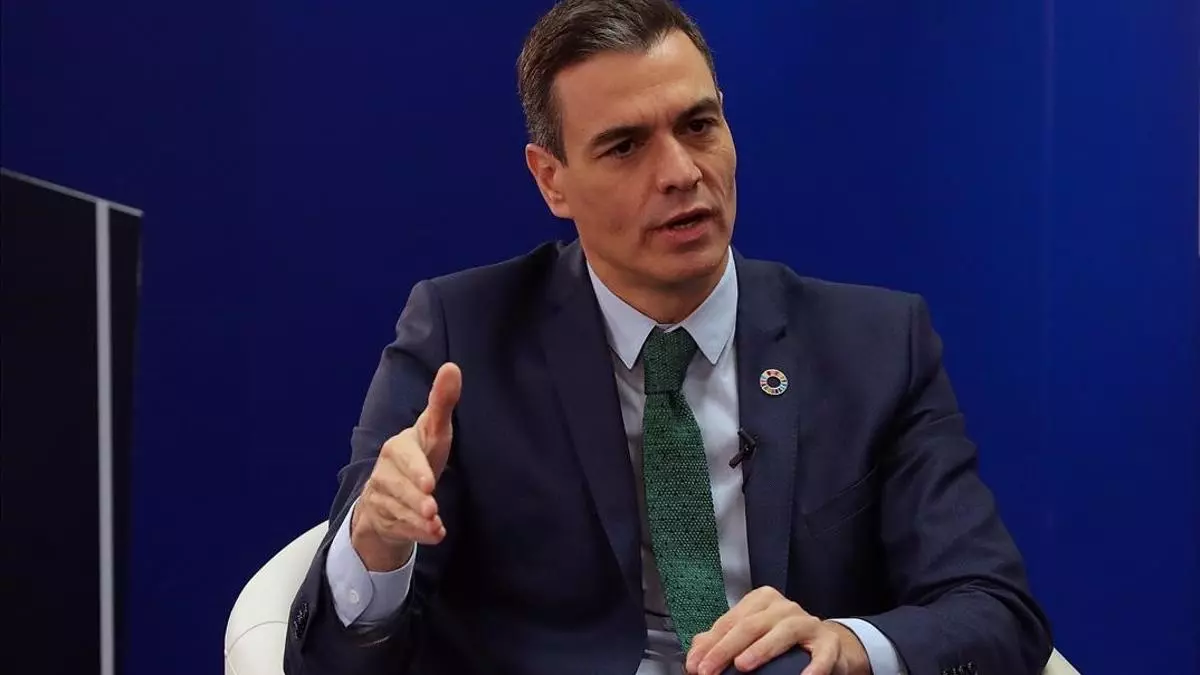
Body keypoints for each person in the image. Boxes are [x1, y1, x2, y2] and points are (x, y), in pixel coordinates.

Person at [283, 1, 1052, 673]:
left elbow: (995, 610)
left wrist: (847, 643)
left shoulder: (876, 346)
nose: (681, 172)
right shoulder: (465, 336)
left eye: (698, 125)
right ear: (552, 179)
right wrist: (376, 545)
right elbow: (325, 658)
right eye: (625, 146)